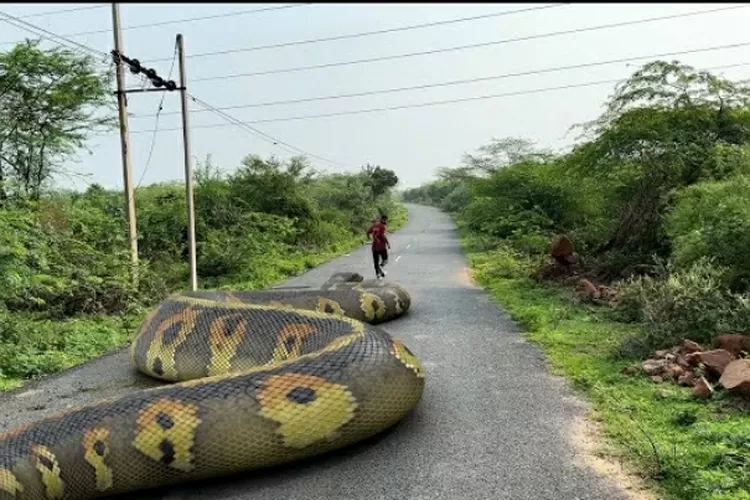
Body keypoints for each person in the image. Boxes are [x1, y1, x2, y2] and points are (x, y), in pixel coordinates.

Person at [366, 215, 390, 279]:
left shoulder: (373, 226)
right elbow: (382, 235)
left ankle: (378, 274)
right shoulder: (382, 226)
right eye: (385, 220)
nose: (385, 221)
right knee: (385, 259)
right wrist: (387, 243)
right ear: (383, 220)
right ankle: (380, 268)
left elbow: (367, 232)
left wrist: (370, 239)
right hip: (381, 246)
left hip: (374, 247)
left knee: (376, 261)